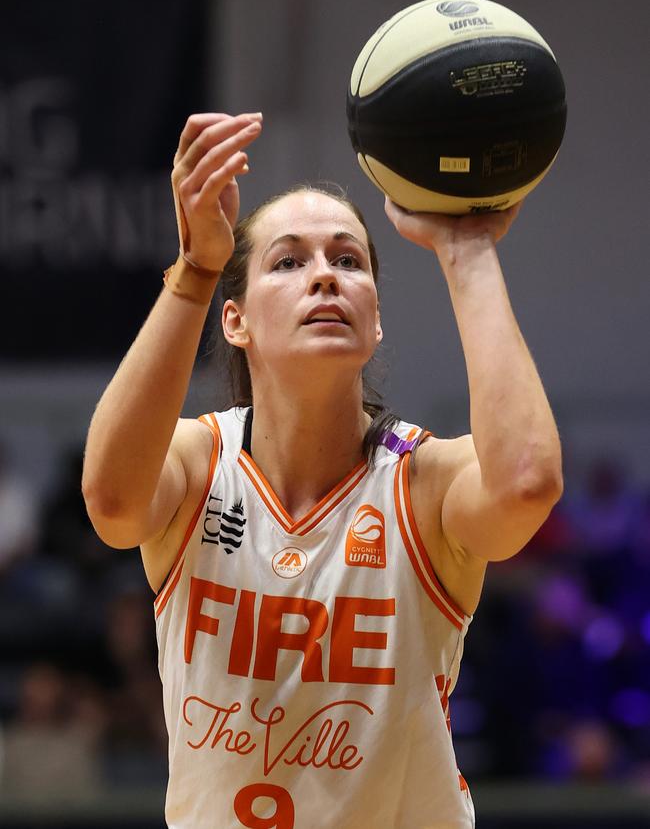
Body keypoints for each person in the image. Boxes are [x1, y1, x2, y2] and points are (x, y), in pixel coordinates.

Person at [82, 112, 563, 828]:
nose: (324, 277)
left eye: (348, 259)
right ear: (236, 320)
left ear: (375, 321)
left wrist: (466, 250)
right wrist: (196, 269)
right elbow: (113, 503)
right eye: (288, 261)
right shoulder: (196, 460)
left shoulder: (421, 480)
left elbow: (527, 480)